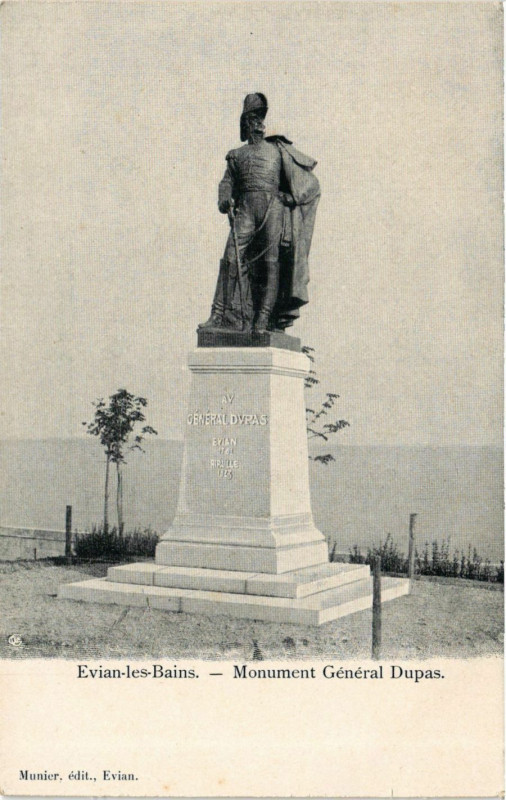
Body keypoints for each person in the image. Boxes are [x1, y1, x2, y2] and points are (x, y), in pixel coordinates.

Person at [199, 93, 320, 334]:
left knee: (270, 264)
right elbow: (227, 182)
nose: (257, 122)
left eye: (259, 117)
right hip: (245, 209)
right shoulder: (236, 155)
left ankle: (264, 319)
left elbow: (309, 183)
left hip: (272, 210)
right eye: (252, 118)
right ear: (245, 123)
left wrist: (292, 198)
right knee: (230, 258)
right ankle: (218, 315)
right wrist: (224, 198)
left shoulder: (278, 150)